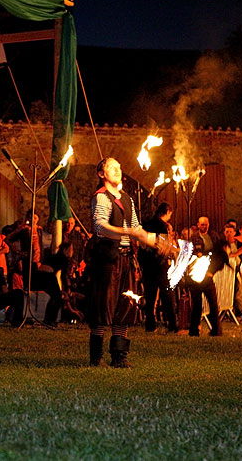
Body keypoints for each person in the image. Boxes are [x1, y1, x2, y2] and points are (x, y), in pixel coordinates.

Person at [87, 157, 160, 368]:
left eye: (119, 166)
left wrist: (156, 241)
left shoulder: (127, 199)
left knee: (125, 307)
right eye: (112, 167)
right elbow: (100, 227)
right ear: (102, 174)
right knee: (103, 307)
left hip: (127, 259)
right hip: (108, 260)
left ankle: (119, 356)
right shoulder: (101, 197)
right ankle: (96, 357)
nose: (118, 170)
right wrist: (125, 231)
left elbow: (136, 229)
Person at [138, 202, 179, 332]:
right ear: (166, 212)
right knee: (168, 295)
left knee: (150, 297)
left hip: (147, 264)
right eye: (169, 215)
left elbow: (141, 244)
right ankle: (172, 324)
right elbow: (164, 248)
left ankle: (150, 325)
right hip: (160, 266)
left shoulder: (146, 224)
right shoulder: (163, 226)